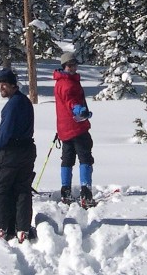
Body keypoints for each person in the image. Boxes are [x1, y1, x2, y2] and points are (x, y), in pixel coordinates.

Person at [0, 68, 37, 243]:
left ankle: (1, 227)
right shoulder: (25, 102)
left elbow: (5, 130)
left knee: (1, 189)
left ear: (12, 85)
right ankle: (22, 228)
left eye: (4, 84)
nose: (1, 88)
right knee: (23, 190)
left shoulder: (12, 105)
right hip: (27, 151)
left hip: (11, 152)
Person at [53, 52, 95, 207]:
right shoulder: (67, 83)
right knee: (85, 158)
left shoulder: (61, 81)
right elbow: (70, 101)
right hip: (76, 127)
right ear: (64, 66)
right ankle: (86, 193)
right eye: (69, 65)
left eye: (74, 65)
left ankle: (66, 192)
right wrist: (79, 110)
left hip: (65, 129)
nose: (72, 68)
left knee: (68, 159)